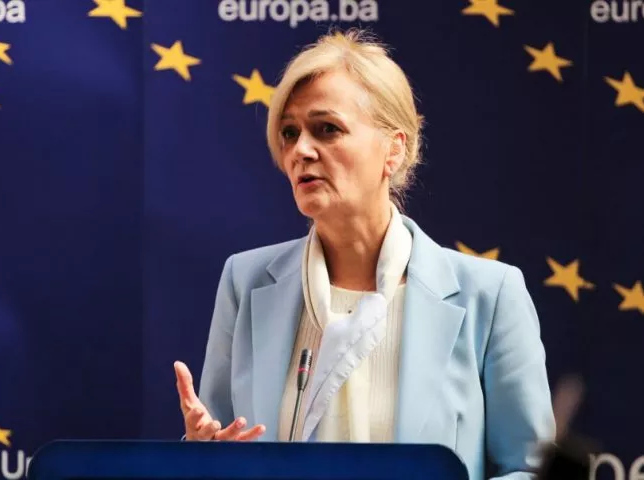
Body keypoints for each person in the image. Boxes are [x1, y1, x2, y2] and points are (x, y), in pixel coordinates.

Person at [174, 28, 556, 479]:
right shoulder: (245, 281)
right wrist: (200, 454)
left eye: (327, 129)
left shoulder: (488, 295)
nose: (301, 150)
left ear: (394, 149)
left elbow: (532, 469)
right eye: (290, 133)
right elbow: (217, 446)